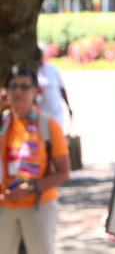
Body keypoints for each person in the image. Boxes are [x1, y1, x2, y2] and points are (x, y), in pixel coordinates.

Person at [0, 64, 70, 254]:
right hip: (4, 204)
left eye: (24, 87)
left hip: (38, 204)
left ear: (35, 91)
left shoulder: (47, 124)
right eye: (13, 86)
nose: (18, 92)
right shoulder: (3, 122)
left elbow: (64, 172)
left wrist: (31, 188)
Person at [35, 46, 73, 132]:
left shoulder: (52, 69)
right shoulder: (31, 71)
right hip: (39, 116)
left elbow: (62, 89)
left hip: (55, 114)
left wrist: (68, 107)